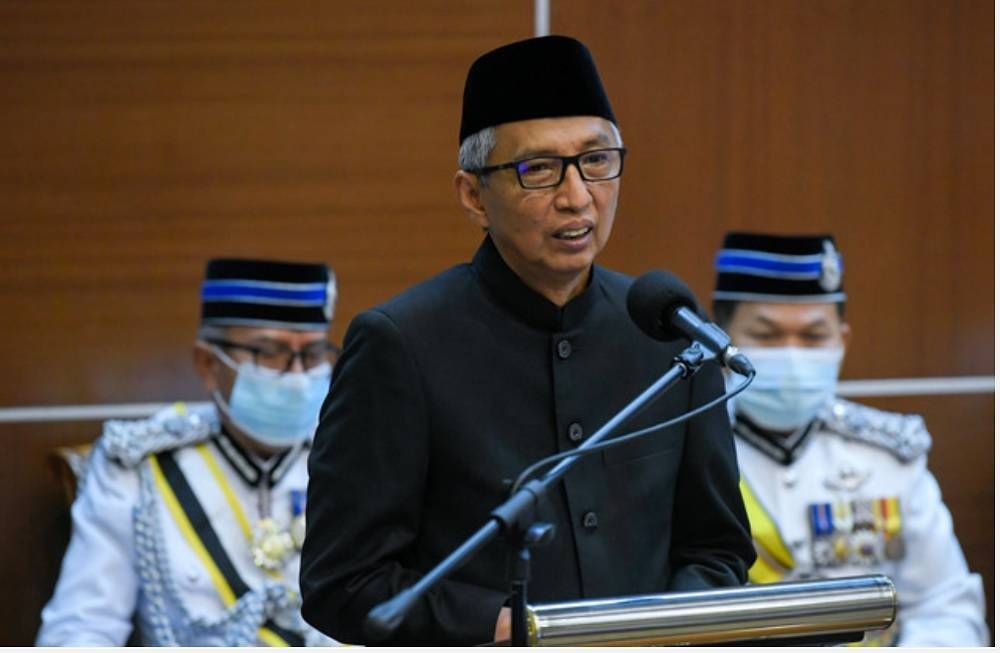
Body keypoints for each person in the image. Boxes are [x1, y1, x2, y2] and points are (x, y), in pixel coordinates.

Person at [300, 35, 755, 646]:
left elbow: (717, 549)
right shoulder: (401, 344)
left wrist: (662, 631)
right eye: (538, 170)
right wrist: (504, 627)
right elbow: (343, 582)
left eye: (597, 160)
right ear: (473, 196)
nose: (578, 197)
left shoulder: (669, 327)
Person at [37, 258, 342, 646]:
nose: (297, 376)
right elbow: (81, 629)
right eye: (270, 353)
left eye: (313, 355)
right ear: (209, 364)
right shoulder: (139, 467)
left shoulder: (352, 458)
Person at [711, 231, 989, 646]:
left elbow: (945, 605)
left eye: (813, 337)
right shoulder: (688, 452)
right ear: (721, 342)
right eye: (767, 336)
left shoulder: (888, 456)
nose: (793, 353)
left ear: (842, 341)